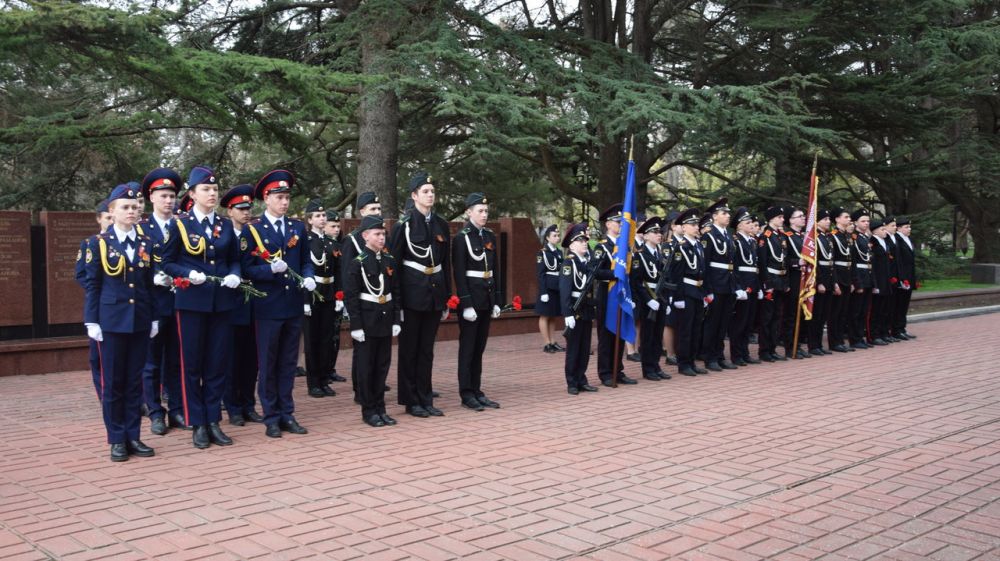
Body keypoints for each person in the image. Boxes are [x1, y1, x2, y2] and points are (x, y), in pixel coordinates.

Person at [161, 167, 245, 449]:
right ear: (193, 194)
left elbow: (234, 259)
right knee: (192, 364)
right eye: (206, 190)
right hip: (192, 303)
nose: (212, 194)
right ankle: (197, 422)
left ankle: (213, 420)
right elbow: (167, 261)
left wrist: (235, 274)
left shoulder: (224, 225)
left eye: (215, 189)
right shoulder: (181, 224)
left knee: (217, 364)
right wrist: (186, 273)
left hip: (221, 303)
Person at [82, 183, 157, 462]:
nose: (131, 211)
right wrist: (92, 321)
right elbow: (93, 286)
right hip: (110, 323)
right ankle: (116, 439)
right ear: (111, 212)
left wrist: (154, 318)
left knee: (134, 382)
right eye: (124, 207)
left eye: (134, 207)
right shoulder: (96, 244)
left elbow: (149, 286)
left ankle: (133, 436)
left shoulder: (145, 244)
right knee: (113, 383)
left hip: (139, 320)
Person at [240, 169, 317, 438]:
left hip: (292, 304)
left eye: (287, 197)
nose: (285, 202)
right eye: (280, 197)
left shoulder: (297, 228)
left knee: (287, 362)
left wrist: (309, 277)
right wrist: (268, 271)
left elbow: (306, 260)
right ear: (266, 198)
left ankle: (287, 413)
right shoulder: (253, 229)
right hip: (267, 307)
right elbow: (246, 268)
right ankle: (270, 415)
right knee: (268, 362)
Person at [388, 173, 451, 418]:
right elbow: (393, 266)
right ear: (414, 196)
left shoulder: (441, 225)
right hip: (412, 295)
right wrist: (397, 303)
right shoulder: (403, 226)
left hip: (434, 293)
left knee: (427, 350)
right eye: (425, 191)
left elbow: (446, 264)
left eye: (432, 190)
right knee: (410, 349)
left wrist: (446, 297)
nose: (430, 195)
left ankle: (425, 397)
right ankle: (410, 399)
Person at [139, 168, 185, 436]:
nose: (169, 201)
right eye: (164, 196)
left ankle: (177, 410)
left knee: (177, 361)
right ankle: (156, 411)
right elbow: (132, 268)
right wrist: (152, 278)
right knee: (151, 362)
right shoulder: (142, 229)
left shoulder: (183, 225)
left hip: (181, 303)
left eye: (172, 196)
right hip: (154, 304)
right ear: (152, 199)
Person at [345, 215, 401, 427]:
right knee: (367, 367)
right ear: (365, 236)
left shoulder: (389, 260)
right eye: (377, 234)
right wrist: (356, 326)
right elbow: (352, 298)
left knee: (382, 366)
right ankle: (369, 410)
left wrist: (396, 319)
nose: (381, 238)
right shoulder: (357, 263)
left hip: (384, 320)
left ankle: (381, 408)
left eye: (383, 234)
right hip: (367, 322)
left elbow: (395, 291)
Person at [452, 193, 503, 411]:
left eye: (486, 211)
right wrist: (466, 304)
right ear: (468, 212)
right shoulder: (462, 237)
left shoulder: (489, 235)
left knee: (479, 347)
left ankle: (477, 389)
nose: (484, 215)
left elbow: (496, 269)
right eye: (480, 211)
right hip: (472, 298)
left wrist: (497, 300)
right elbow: (459, 272)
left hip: (486, 296)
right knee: (468, 348)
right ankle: (466, 393)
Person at [219, 184, 263, 426]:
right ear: (230, 211)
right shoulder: (223, 235)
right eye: (241, 208)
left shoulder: (254, 234)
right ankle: (233, 406)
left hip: (252, 303)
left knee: (250, 359)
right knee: (231, 359)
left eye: (249, 208)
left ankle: (248, 403)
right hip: (231, 303)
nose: (246, 213)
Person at [340, 191, 382, 394]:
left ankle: (374, 383)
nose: (377, 212)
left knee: (378, 350)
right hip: (362, 302)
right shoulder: (353, 240)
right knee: (362, 349)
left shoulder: (380, 237)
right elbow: (349, 276)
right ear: (362, 211)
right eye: (373, 209)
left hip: (378, 302)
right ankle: (360, 386)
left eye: (379, 209)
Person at [594, 204, 638, 387]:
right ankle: (605, 373)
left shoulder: (624, 246)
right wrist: (614, 275)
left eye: (622, 222)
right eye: (617, 222)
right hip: (606, 294)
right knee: (606, 334)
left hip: (620, 293)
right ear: (608, 225)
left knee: (619, 332)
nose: (621, 225)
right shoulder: (601, 247)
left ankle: (617, 370)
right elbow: (595, 272)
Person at [302, 199, 342, 399]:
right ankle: (313, 382)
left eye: (323, 215)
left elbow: (339, 270)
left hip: (328, 292)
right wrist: (304, 300)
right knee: (312, 340)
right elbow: (302, 271)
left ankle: (324, 378)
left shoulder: (331, 242)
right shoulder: (305, 241)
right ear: (309, 220)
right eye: (317, 216)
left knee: (327, 339)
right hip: (312, 294)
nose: (322, 218)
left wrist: (339, 294)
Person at [77, 199, 114, 399]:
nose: (110, 221)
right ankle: (104, 395)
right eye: (107, 218)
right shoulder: (90, 244)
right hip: (100, 304)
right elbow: (82, 275)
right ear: (99, 219)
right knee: (98, 355)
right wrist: (102, 292)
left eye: (112, 217)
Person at [560, 222, 600, 395]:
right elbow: (565, 290)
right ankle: (572, 382)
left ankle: (581, 379)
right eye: (580, 240)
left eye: (585, 240)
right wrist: (567, 313)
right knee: (574, 348)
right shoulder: (570, 263)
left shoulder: (588, 263)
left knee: (585, 348)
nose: (585, 243)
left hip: (586, 309)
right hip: (575, 311)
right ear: (571, 244)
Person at [666, 208, 706, 377]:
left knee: (696, 328)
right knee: (686, 330)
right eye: (692, 224)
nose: (697, 227)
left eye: (697, 224)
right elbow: (676, 274)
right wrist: (678, 297)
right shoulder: (679, 247)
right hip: (686, 291)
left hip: (698, 290)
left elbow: (703, 271)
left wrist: (705, 293)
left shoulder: (698, 245)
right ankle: (683, 363)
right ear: (683, 227)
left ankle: (691, 361)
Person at [630, 217, 670, 381]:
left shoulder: (660, 255)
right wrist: (647, 300)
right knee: (647, 336)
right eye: (654, 232)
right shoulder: (639, 257)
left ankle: (656, 366)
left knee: (658, 334)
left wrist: (667, 300)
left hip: (660, 298)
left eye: (659, 232)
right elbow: (636, 282)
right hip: (648, 301)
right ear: (645, 236)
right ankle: (648, 369)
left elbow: (665, 281)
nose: (658, 234)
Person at [701, 198, 739, 371]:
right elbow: (705, 265)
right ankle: (710, 357)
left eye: (728, 213)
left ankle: (719, 355)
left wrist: (736, 286)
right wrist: (707, 289)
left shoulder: (728, 236)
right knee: (713, 323)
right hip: (715, 284)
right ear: (715, 217)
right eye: (724, 213)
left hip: (728, 284)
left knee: (723, 323)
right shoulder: (708, 237)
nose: (728, 216)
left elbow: (733, 264)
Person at [728, 207, 761, 366]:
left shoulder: (752, 241)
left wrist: (759, 287)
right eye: (747, 223)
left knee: (749, 322)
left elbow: (755, 266)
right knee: (739, 322)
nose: (751, 225)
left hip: (753, 284)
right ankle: (737, 354)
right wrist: (738, 287)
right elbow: (734, 267)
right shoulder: (736, 242)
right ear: (739, 226)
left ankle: (745, 352)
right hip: (742, 286)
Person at [757, 206, 789, 362]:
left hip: (781, 281)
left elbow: (785, 261)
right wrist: (766, 283)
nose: (782, 220)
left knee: (778, 316)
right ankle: (764, 350)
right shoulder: (765, 237)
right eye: (780, 217)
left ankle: (773, 348)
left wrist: (786, 281)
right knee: (767, 317)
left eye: (783, 217)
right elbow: (762, 263)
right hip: (771, 280)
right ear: (771, 219)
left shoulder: (781, 236)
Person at [781, 206, 811, 359]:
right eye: (799, 216)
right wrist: (796, 262)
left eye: (803, 216)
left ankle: (798, 344)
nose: (803, 218)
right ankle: (790, 346)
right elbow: (783, 259)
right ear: (791, 220)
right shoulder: (787, 236)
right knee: (792, 313)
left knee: (801, 311)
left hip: (804, 278)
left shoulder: (803, 236)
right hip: (793, 277)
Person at [807, 209, 835, 356]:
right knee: (816, 314)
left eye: (829, 219)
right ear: (817, 221)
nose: (828, 222)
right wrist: (818, 282)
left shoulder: (828, 237)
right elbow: (813, 262)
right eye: (825, 219)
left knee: (824, 314)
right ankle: (813, 344)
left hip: (829, 278)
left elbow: (832, 261)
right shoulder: (814, 237)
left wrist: (834, 282)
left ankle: (818, 344)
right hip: (820, 279)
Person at [535, 224, 564, 353]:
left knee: (553, 316)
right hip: (547, 288)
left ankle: (553, 341)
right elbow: (541, 274)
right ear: (547, 238)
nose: (557, 238)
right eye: (554, 236)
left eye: (558, 235)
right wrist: (543, 291)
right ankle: (546, 343)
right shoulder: (542, 253)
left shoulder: (559, 252)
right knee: (545, 315)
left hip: (556, 287)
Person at [849, 209, 874, 349]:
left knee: (864, 310)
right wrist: (856, 281)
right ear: (856, 222)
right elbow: (853, 261)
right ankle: (855, 338)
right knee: (856, 310)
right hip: (859, 275)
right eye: (863, 221)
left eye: (867, 221)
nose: (866, 224)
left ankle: (860, 336)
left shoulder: (866, 237)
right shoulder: (853, 237)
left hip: (868, 275)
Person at [660, 211, 682, 366]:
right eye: (680, 223)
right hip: (670, 287)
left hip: (683, 287)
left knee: (681, 320)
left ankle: (679, 350)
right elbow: (667, 270)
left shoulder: (686, 244)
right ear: (673, 226)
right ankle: (670, 353)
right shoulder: (668, 246)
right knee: (670, 321)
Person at [893, 216, 918, 339]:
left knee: (905, 305)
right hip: (903, 277)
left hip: (909, 276)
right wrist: (903, 279)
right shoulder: (897, 240)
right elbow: (899, 262)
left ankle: (902, 328)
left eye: (910, 226)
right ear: (898, 228)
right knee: (899, 304)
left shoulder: (907, 239)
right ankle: (897, 329)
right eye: (906, 227)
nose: (909, 229)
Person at [869, 218, 892, 345]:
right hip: (878, 280)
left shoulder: (884, 242)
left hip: (886, 280)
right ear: (875, 231)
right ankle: (874, 334)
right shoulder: (872, 243)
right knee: (876, 310)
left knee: (884, 308)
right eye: (882, 229)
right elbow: (873, 265)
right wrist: (875, 284)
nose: (885, 232)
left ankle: (884, 332)